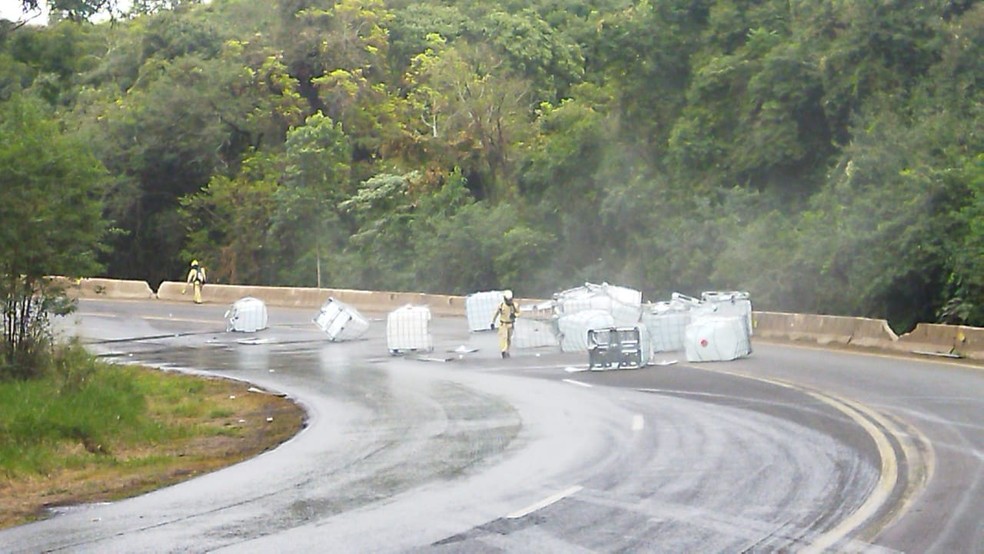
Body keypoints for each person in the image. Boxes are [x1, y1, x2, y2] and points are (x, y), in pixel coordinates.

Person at [491, 290, 520, 358]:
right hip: (503, 324)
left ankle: (507, 350)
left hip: (510, 324)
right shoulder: (501, 306)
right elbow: (496, 314)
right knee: (503, 337)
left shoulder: (514, 305)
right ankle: (503, 350)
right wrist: (493, 322)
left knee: (509, 338)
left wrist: (515, 315)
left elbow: (519, 312)